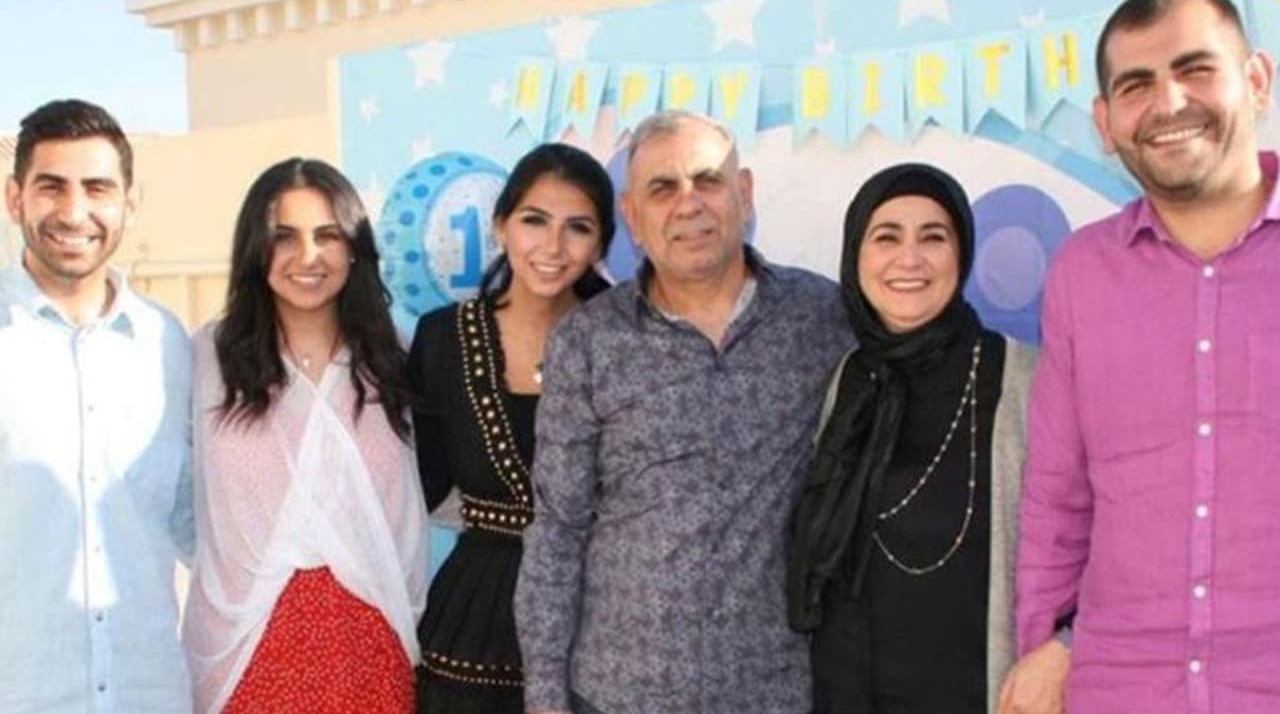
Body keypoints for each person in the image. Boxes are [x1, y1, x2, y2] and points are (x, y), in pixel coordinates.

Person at [514, 110, 852, 714]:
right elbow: (558, 527)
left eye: (707, 180)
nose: (689, 204)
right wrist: (544, 696)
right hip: (618, 693)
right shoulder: (587, 341)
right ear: (632, 216)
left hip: (774, 691)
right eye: (663, 188)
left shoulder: (822, 316)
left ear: (744, 193)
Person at [1014, 0, 1280, 712]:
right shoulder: (1081, 274)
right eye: (1137, 85)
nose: (1169, 102)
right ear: (1105, 124)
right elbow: (1057, 495)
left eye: (1196, 69)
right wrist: (1044, 645)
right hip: (1119, 684)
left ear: (1257, 80)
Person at [787, 163, 1043, 714]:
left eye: (933, 237)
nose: (910, 259)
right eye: (886, 237)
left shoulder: (1023, 378)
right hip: (846, 692)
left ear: (962, 255)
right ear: (856, 255)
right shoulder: (847, 380)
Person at [181, 158, 429, 713]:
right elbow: (177, 499)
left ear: (354, 248)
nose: (308, 256)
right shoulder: (205, 359)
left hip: (373, 651)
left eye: (328, 235)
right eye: (284, 236)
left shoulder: (398, 355)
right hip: (242, 652)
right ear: (255, 247)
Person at [0, 99, 194, 713]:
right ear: (14, 198)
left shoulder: (170, 345)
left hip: (150, 694)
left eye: (97, 188)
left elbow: (199, 524)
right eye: (51, 187)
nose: (74, 211)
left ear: (129, 204)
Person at [407, 142, 615, 714]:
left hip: (603, 617)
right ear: (501, 225)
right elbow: (414, 485)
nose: (552, 246)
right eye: (534, 221)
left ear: (601, 244)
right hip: (473, 625)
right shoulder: (443, 338)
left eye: (578, 227)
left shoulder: (627, 342)